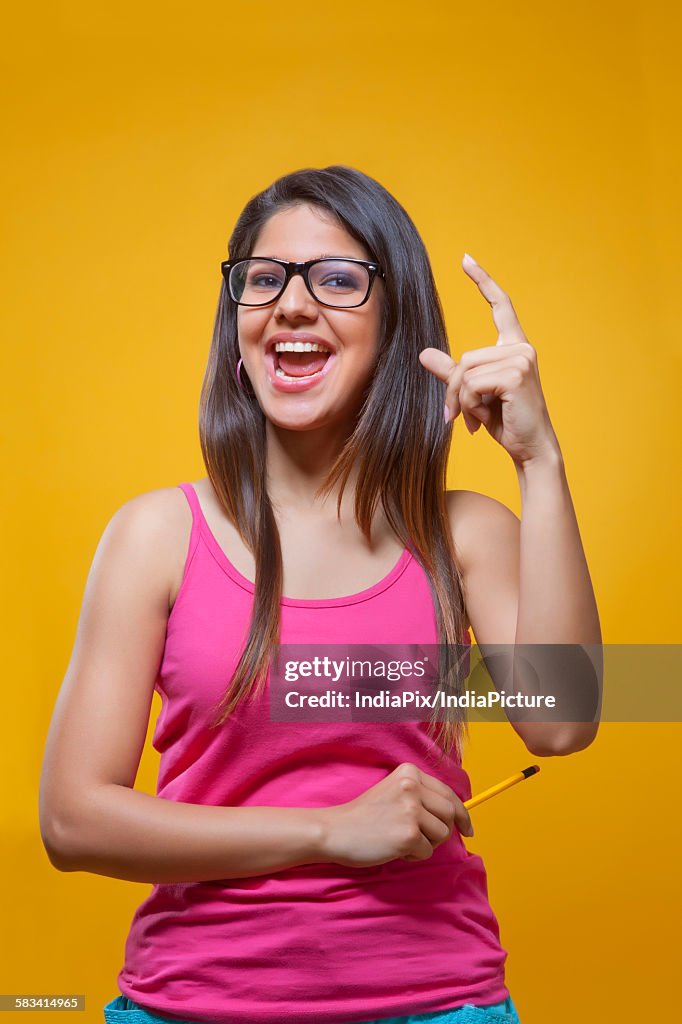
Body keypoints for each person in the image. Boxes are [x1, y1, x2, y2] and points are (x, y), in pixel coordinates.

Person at [39, 165, 601, 1024]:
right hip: (194, 1003)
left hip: (438, 1001)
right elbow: (73, 822)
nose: (291, 305)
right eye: (264, 280)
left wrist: (540, 461)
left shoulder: (464, 534)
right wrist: (329, 829)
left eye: (338, 279)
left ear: (396, 319)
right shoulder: (156, 534)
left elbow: (562, 719)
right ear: (237, 324)